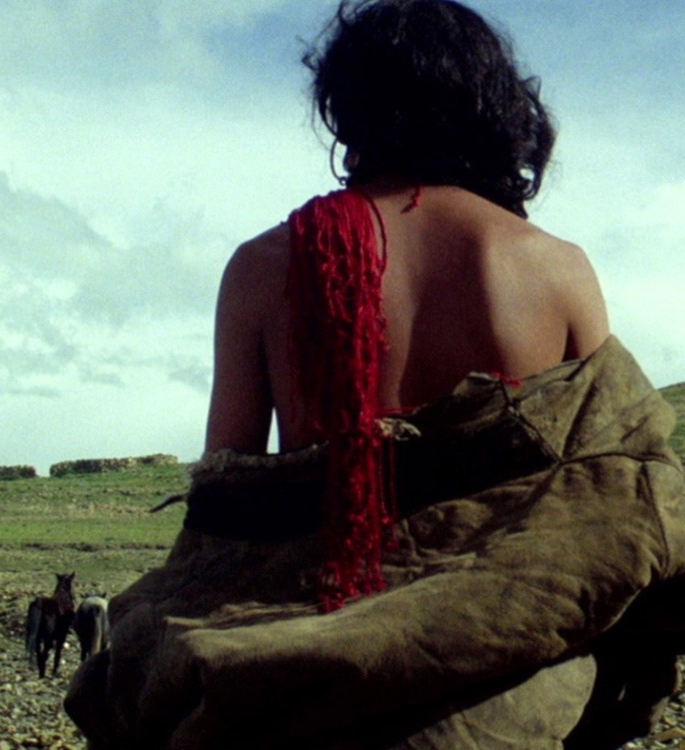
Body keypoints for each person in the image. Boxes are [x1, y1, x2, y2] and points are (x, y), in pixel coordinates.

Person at [65, 2, 685, 748]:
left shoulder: (261, 270)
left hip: (285, 674)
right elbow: (619, 493)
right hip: (494, 698)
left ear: (344, 106)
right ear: (488, 106)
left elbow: (225, 510)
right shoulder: (551, 267)